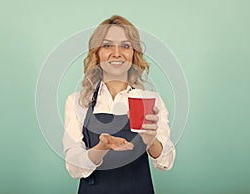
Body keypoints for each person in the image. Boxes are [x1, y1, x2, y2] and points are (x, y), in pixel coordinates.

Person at [63, 15, 175, 194]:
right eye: (107, 45)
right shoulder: (77, 102)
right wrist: (101, 147)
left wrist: (150, 140)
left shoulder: (149, 100)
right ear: (97, 53)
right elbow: (74, 167)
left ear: (133, 54)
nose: (117, 53)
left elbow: (166, 162)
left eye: (125, 45)